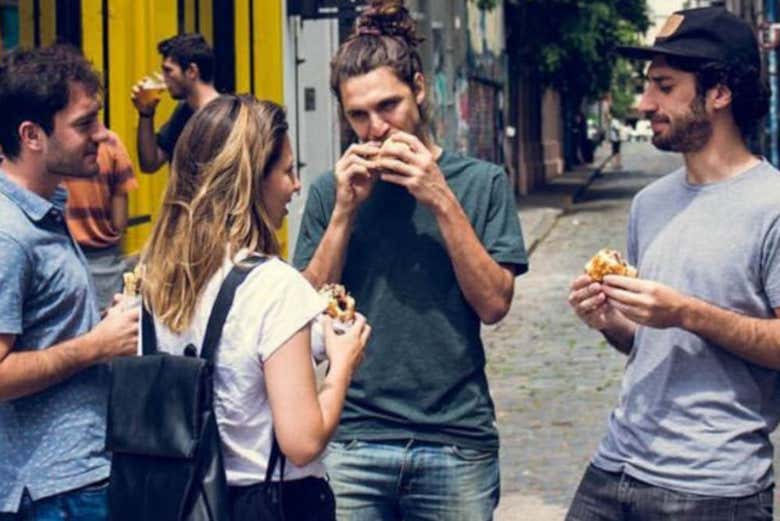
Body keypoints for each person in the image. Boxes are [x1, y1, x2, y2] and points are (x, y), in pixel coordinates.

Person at [292, 1, 527, 519]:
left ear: (418, 89)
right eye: (358, 115)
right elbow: (306, 311)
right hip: (353, 438)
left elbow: (494, 304)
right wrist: (343, 214)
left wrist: (439, 198)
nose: (375, 128)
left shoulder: (480, 183)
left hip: (455, 441)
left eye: (388, 106)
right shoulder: (329, 191)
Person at [567, 7, 777, 520]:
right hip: (616, 464)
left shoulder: (772, 205)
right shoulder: (650, 203)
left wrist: (687, 311)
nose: (644, 104)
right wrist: (610, 322)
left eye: (663, 86)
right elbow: (652, 346)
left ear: (719, 93)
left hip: (713, 486)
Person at [140, 94, 371, 521]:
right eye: (287, 171)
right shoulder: (272, 286)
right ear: (251, 181)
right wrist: (342, 364)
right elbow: (302, 441)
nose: (296, 185)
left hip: (182, 498)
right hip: (269, 501)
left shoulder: (158, 278)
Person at [0, 45, 139, 520]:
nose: (101, 135)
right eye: (84, 123)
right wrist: (96, 346)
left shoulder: (43, 213)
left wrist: (103, 326)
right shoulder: (9, 234)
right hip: (51, 492)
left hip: (75, 478)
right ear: (32, 135)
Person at [62, 130, 138, 310]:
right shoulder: (111, 142)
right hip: (103, 259)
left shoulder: (52, 141)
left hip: (59, 250)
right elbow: (119, 219)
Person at [131, 33, 219, 172]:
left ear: (191, 71)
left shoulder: (226, 115)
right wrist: (146, 114)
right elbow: (150, 163)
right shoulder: (185, 112)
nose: (163, 78)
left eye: (168, 71)